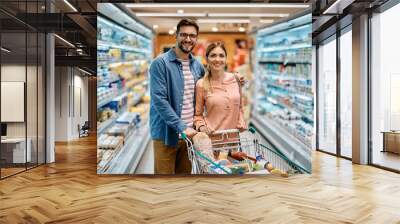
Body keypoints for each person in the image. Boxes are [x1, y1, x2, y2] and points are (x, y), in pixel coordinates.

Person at [149, 18, 205, 174]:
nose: (188, 39)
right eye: (184, 35)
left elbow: (209, 89)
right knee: (164, 183)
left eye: (192, 36)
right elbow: (159, 100)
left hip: (189, 137)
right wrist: (182, 127)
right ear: (176, 36)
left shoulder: (198, 66)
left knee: (184, 179)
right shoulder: (160, 64)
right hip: (166, 135)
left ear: (196, 38)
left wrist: (233, 78)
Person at [194, 41, 247, 142]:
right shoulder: (201, 84)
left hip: (233, 141)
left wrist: (241, 121)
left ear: (226, 59)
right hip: (213, 141)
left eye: (221, 56)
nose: (217, 59)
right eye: (213, 55)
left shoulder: (236, 79)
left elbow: (240, 107)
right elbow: (198, 115)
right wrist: (202, 127)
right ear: (207, 59)